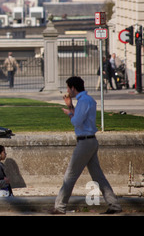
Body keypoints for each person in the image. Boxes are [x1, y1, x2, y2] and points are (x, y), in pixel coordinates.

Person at [50, 76, 122, 214]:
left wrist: (70, 112)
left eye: (67, 88)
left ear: (73, 88)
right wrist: (71, 107)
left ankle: (59, 207)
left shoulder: (83, 101)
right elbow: (81, 119)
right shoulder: (89, 100)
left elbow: (77, 121)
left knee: (70, 175)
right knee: (98, 177)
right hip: (91, 141)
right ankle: (114, 205)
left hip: (84, 142)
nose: (67, 91)